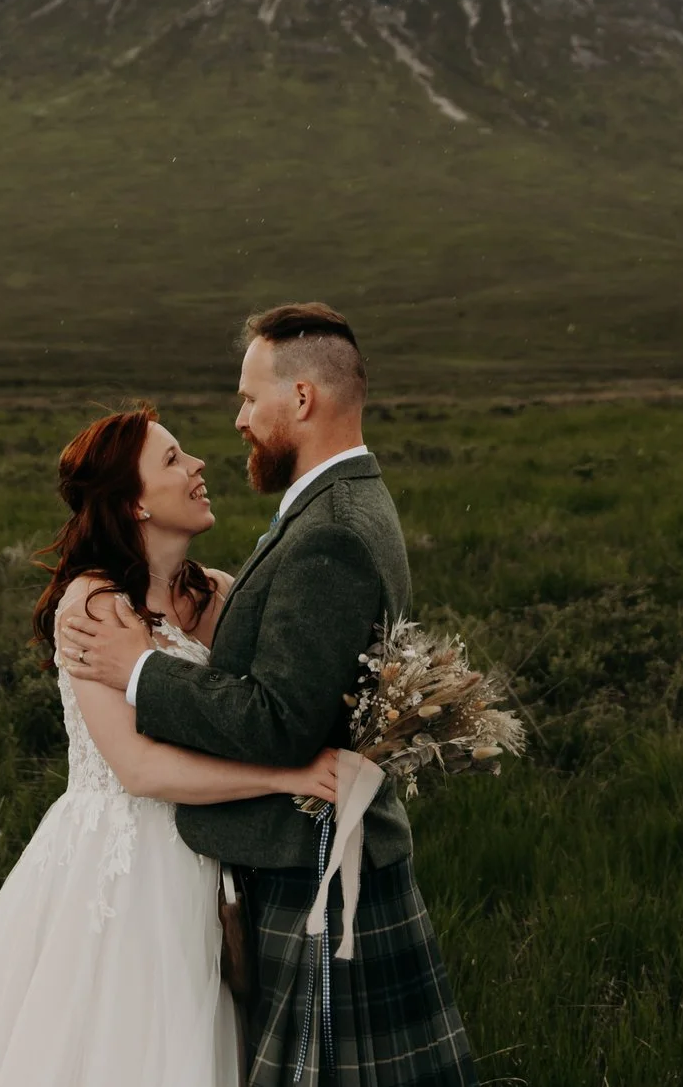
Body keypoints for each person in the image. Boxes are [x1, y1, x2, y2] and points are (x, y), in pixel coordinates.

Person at [0, 403, 342, 1087]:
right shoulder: (94, 605)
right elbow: (135, 767)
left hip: (206, 857)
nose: (197, 466)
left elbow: (254, 706)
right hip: (120, 867)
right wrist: (286, 775)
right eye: (171, 459)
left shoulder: (216, 593)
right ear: (134, 502)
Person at [60, 303, 479, 1086]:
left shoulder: (331, 529)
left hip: (310, 859)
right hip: (208, 867)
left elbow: (279, 718)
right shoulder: (335, 507)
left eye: (251, 398)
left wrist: (143, 671)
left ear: (303, 400)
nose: (239, 420)